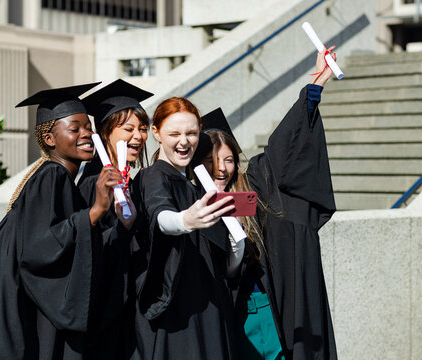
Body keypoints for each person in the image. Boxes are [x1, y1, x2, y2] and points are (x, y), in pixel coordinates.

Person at [0, 83, 136, 360]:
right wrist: (96, 211)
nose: (86, 134)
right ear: (50, 139)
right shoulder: (53, 175)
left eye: (88, 127)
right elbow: (40, 246)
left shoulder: (55, 177)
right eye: (75, 128)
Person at [192, 47, 338, 360]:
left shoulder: (252, 190)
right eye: (209, 160)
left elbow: (286, 149)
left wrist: (316, 87)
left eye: (228, 159)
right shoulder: (191, 203)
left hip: (263, 310)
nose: (221, 168)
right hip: (220, 315)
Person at [131, 97, 240, 360]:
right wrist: (184, 221)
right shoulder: (153, 176)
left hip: (205, 306)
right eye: (174, 133)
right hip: (177, 316)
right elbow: (161, 215)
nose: (184, 141)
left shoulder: (193, 184)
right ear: (156, 133)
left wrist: (237, 244)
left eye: (191, 133)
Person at [78, 79, 153, 359]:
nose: (138, 136)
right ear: (106, 132)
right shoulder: (93, 183)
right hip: (105, 309)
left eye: (143, 129)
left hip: (129, 306)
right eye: (129, 129)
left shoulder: (128, 180)